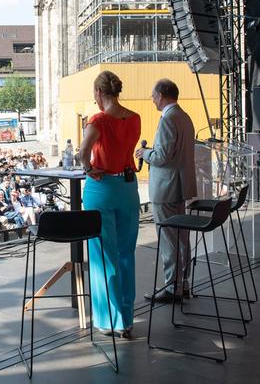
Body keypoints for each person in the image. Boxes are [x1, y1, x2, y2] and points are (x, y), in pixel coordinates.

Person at [78, 70, 141, 338]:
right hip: (128, 189)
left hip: (102, 189)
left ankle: (109, 320)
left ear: (99, 93)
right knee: (126, 254)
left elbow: (82, 154)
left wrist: (89, 168)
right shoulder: (135, 118)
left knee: (104, 256)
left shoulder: (99, 120)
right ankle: (126, 319)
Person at [136, 78, 197, 304]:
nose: (152, 100)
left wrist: (145, 154)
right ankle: (183, 283)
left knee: (169, 239)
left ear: (161, 95)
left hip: (166, 188)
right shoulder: (185, 117)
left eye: (153, 96)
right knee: (181, 238)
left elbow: (162, 157)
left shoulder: (168, 119)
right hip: (181, 186)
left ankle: (172, 287)